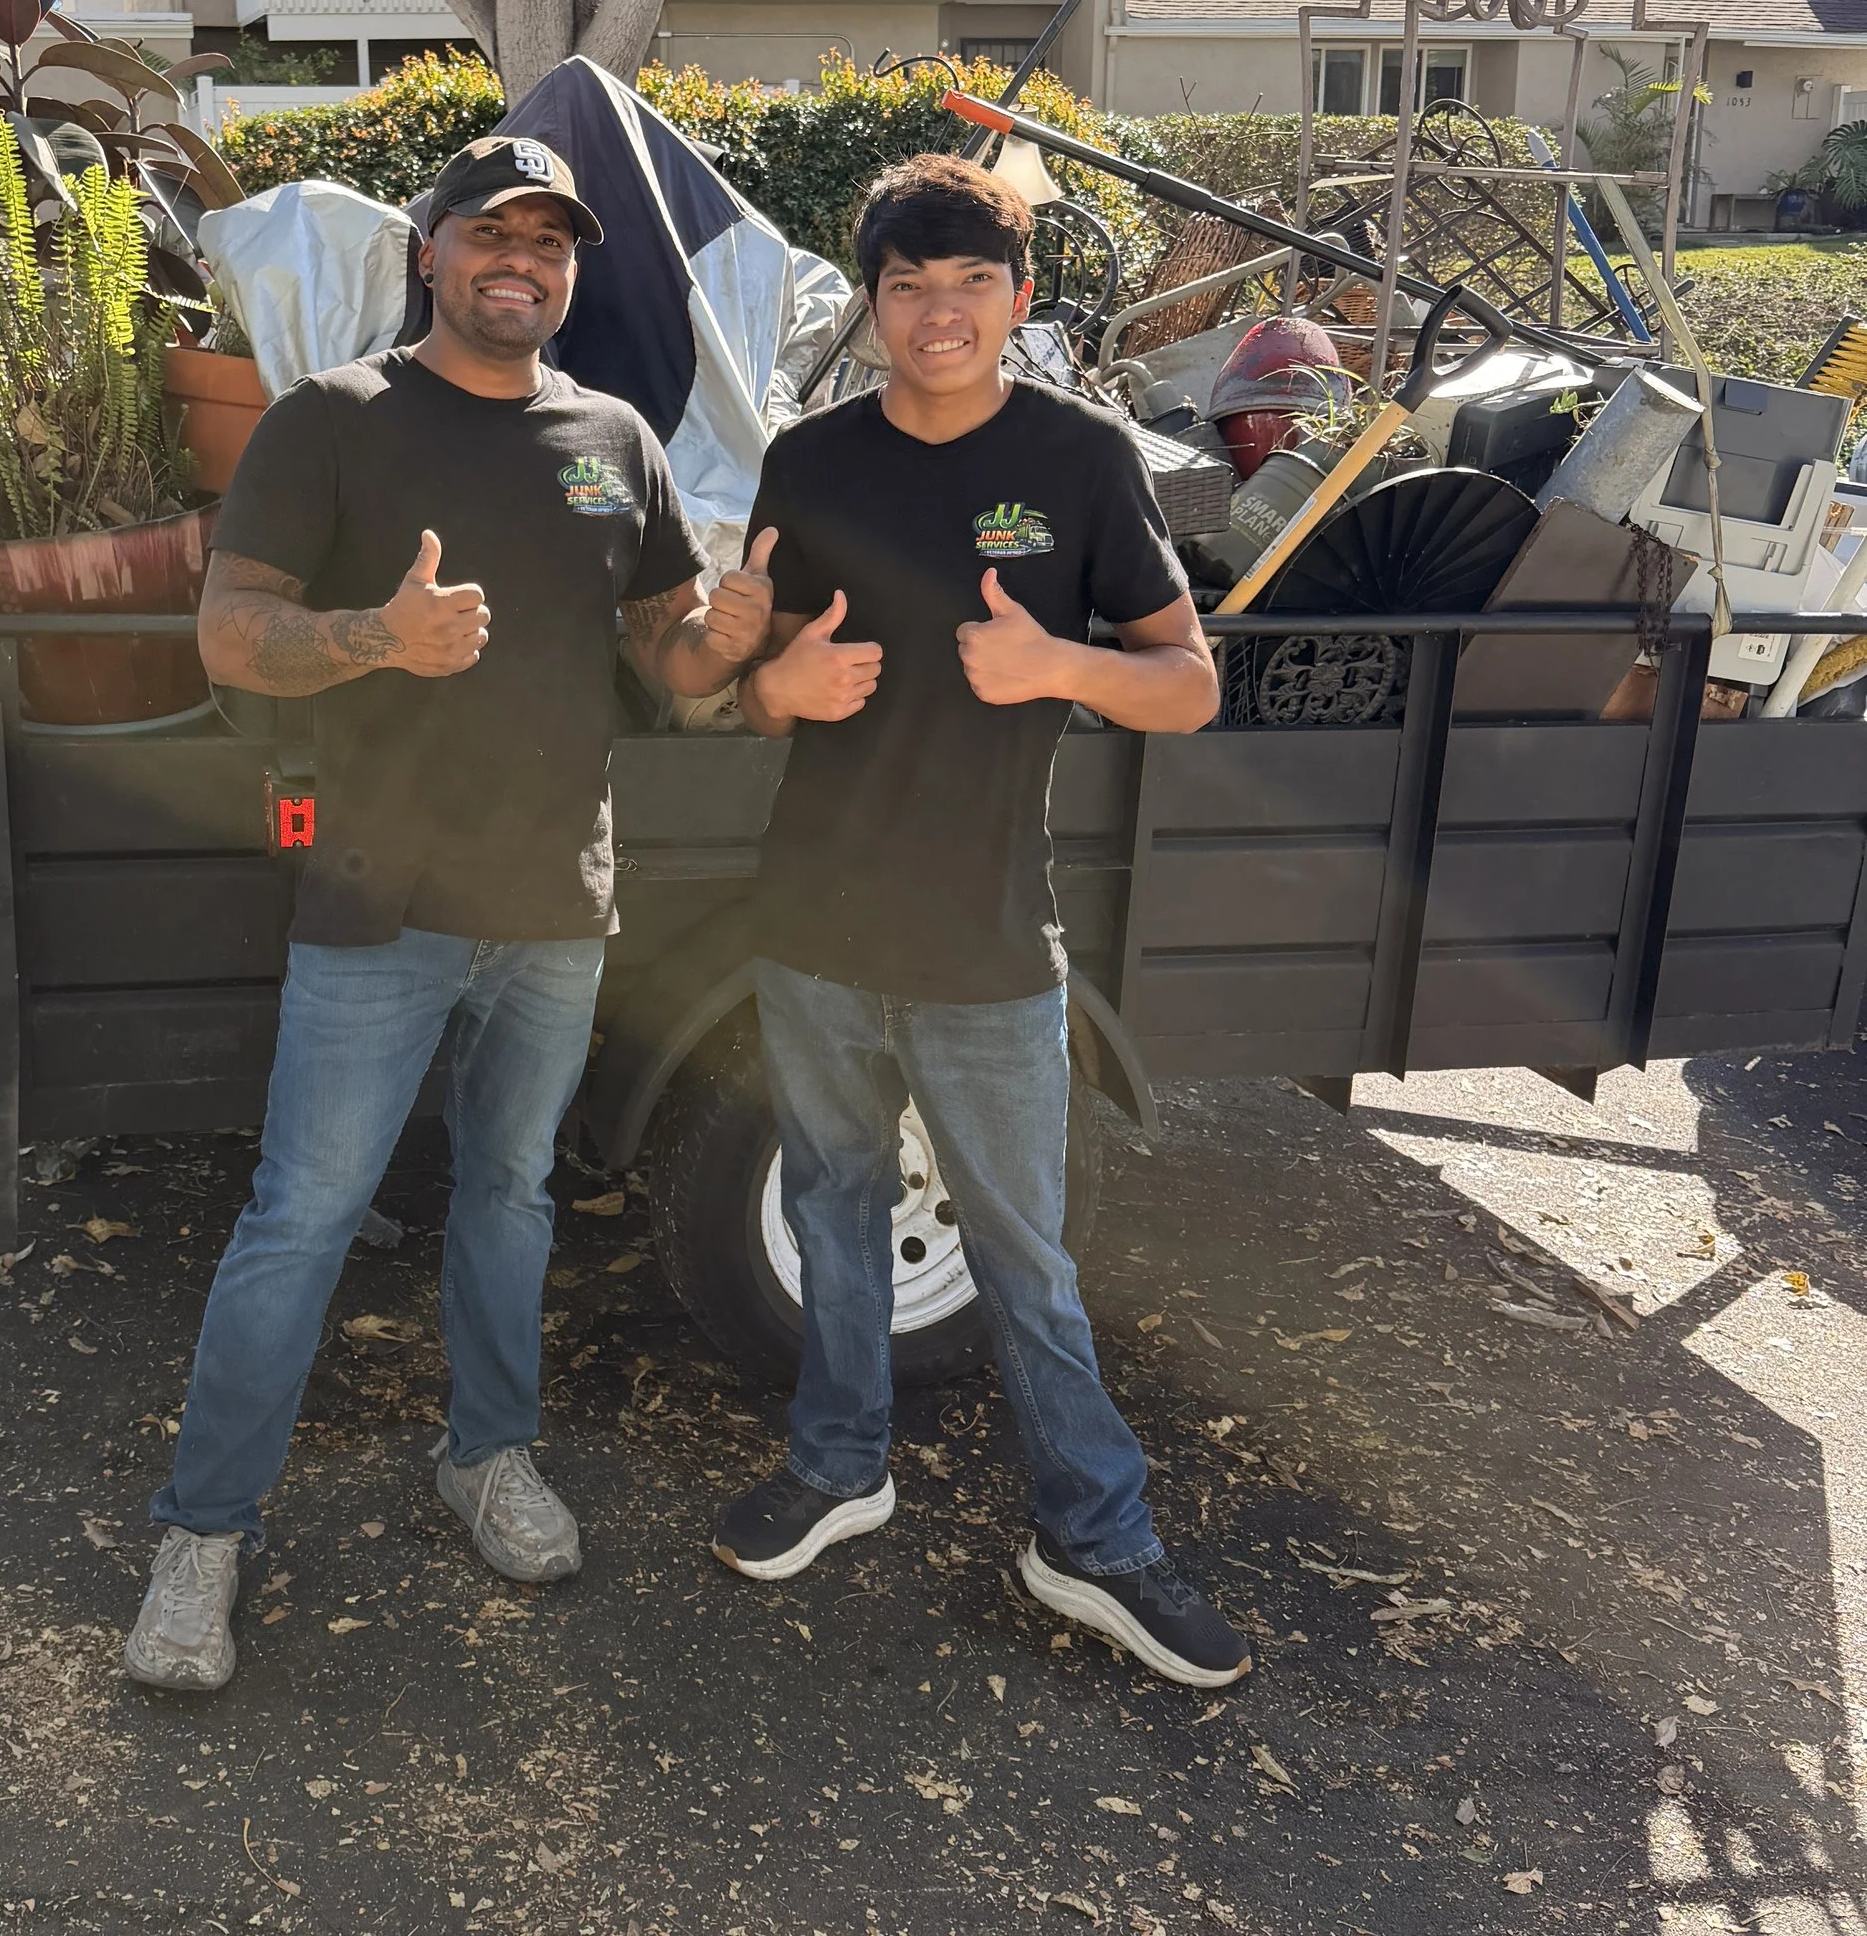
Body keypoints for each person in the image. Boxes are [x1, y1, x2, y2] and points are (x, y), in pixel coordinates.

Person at [126, 133, 773, 1692]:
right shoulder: (335, 421)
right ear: (432, 249)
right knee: (303, 1217)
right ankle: (202, 1536)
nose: (523, 263)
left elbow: (662, 657)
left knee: (510, 1200)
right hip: (382, 900)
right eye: (494, 233)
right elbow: (229, 635)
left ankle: (487, 1457)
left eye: (551, 243)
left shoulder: (612, 434)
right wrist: (374, 639)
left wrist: (726, 639)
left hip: (559, 903)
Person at [710, 153, 1251, 1690]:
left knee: (1025, 1260)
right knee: (830, 1210)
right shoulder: (808, 465)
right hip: (812, 925)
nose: (937, 315)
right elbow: (753, 677)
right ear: (870, 302)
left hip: (988, 942)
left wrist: (1061, 669)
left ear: (1017, 302)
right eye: (906, 285)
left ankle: (1096, 1537)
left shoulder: (1083, 463)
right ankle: (841, 1465)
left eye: (969, 287)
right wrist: (771, 694)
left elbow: (1191, 685)